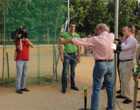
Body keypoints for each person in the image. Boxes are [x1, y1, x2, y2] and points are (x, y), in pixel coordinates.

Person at [59, 23, 114, 110]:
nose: (95, 32)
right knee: (110, 88)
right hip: (111, 64)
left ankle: (94, 108)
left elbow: (81, 41)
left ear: (101, 30)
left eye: (96, 30)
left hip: (101, 64)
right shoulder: (111, 36)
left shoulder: (96, 38)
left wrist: (65, 41)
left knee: (96, 89)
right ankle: (111, 107)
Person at [116, 26, 137, 104]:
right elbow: (120, 48)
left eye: (124, 30)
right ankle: (123, 94)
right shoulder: (126, 40)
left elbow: (124, 48)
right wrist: (123, 42)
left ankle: (129, 97)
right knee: (122, 79)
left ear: (129, 31)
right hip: (122, 62)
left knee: (126, 80)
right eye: (122, 30)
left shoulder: (132, 40)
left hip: (127, 62)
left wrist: (122, 42)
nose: (123, 32)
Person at [59, 22, 81, 94]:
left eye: (74, 26)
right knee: (65, 72)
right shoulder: (65, 35)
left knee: (73, 72)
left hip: (74, 55)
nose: (72, 28)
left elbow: (79, 47)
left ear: (75, 27)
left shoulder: (77, 36)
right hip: (67, 56)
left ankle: (73, 85)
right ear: (69, 27)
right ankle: (64, 87)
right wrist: (61, 55)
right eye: (71, 26)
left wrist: (79, 57)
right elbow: (60, 45)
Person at [15, 29, 34, 94]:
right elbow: (20, 48)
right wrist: (20, 39)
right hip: (19, 60)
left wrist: (27, 40)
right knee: (19, 75)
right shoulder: (17, 41)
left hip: (26, 60)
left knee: (24, 74)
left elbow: (32, 46)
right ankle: (18, 88)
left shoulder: (26, 41)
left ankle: (23, 87)